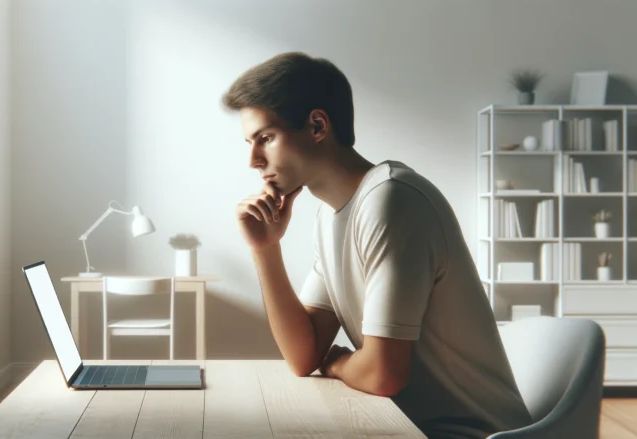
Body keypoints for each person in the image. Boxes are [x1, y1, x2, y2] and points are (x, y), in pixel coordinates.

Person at [221, 52, 533, 439]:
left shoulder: (392, 201)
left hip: (474, 433)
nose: (253, 160)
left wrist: (335, 363)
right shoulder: (332, 215)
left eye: (266, 138)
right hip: (408, 427)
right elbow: (303, 356)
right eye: (250, 143)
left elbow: (382, 375)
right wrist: (266, 249)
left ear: (317, 125)